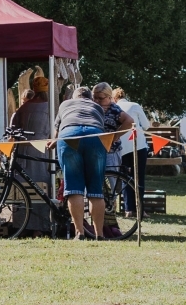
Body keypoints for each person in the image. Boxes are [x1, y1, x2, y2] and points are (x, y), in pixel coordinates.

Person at [55, 85, 132, 239]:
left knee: (74, 188)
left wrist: (54, 142)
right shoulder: (96, 106)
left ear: (74, 98)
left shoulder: (65, 104)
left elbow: (57, 132)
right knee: (96, 189)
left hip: (69, 136)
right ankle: (99, 234)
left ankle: (80, 233)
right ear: (90, 98)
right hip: (95, 136)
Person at [111, 87, 151, 216]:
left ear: (114, 98)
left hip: (122, 148)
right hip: (138, 146)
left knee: (125, 178)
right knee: (139, 178)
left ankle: (128, 209)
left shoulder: (113, 109)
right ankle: (140, 209)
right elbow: (146, 125)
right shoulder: (135, 105)